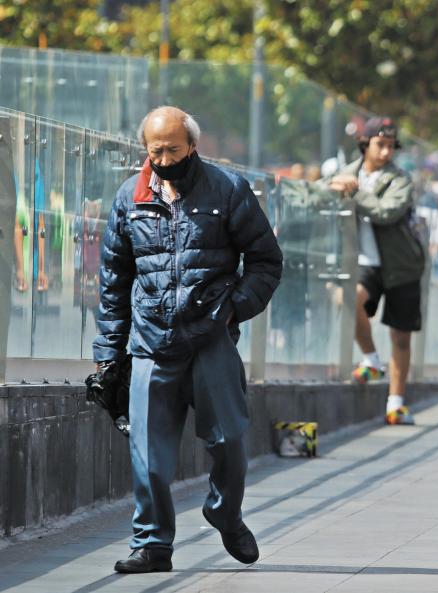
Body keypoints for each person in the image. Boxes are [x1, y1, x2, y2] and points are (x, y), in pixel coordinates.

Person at [93, 106, 283, 573]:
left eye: (172, 149)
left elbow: (266, 261)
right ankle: (153, 544)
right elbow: (113, 282)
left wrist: (235, 306)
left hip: (210, 339)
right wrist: (108, 356)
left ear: (192, 145)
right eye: (154, 150)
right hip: (150, 343)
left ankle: (224, 512)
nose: (163, 158)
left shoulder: (229, 189)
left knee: (231, 442)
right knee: (148, 453)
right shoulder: (128, 199)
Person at [326, 117, 425, 425]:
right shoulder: (345, 174)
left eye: (391, 146)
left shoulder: (401, 179)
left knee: (401, 337)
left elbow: (386, 212)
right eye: (380, 145)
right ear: (365, 144)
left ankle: (395, 404)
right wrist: (331, 186)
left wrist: (353, 192)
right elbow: (314, 196)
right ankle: (371, 359)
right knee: (346, 297)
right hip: (364, 263)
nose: (386, 152)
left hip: (402, 266)